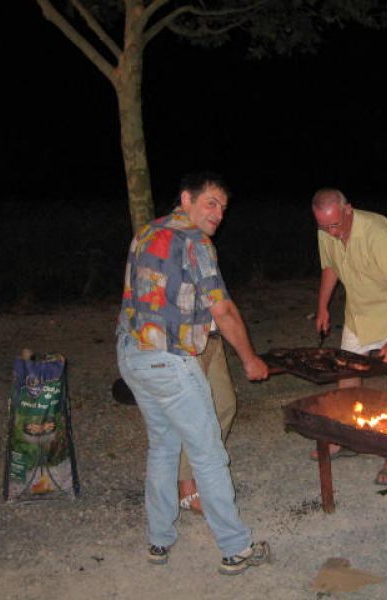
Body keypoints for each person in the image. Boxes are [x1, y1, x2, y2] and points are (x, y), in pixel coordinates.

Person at [116, 171, 270, 574]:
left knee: (163, 446)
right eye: (210, 203)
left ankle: (158, 539)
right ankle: (236, 548)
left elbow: (150, 296)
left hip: (132, 353)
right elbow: (224, 309)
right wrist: (250, 358)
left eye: (223, 207)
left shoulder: (147, 232)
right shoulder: (196, 242)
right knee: (208, 453)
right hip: (167, 360)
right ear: (186, 199)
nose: (218, 213)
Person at [311, 188, 387, 486]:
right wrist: (322, 306)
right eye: (324, 226)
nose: (331, 232)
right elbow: (330, 267)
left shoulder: (376, 234)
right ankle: (347, 438)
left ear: (349, 210)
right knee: (346, 374)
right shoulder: (326, 231)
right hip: (358, 315)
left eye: (335, 225)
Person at [177, 328, 235, 515]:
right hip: (183, 336)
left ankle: (205, 470)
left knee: (224, 405)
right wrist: (249, 357)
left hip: (210, 333)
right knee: (192, 412)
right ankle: (186, 485)